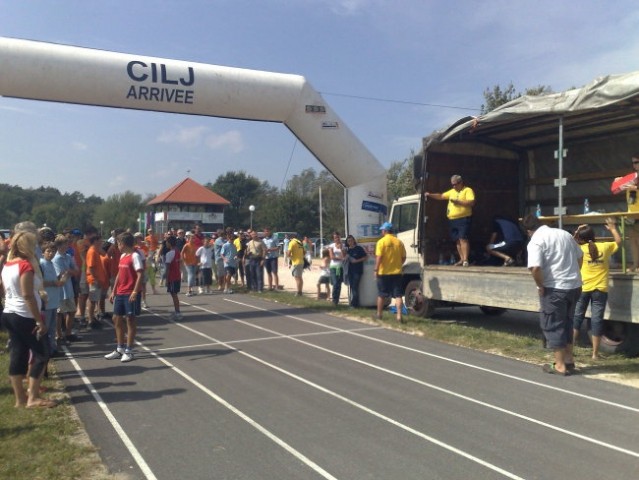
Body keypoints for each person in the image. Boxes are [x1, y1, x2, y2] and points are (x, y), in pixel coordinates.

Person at [522, 214, 583, 376]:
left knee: (554, 324)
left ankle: (560, 365)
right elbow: (580, 256)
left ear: (529, 231)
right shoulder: (565, 234)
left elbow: (535, 268)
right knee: (568, 323)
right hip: (574, 286)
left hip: (555, 288)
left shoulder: (536, 241)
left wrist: (540, 285)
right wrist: (575, 274)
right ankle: (569, 360)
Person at [0, 230, 56, 408]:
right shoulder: (25, 266)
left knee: (18, 354)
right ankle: (32, 397)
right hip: (24, 314)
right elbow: (27, 295)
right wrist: (39, 320)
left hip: (9, 313)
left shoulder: (8, 265)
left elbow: (3, 290)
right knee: (41, 353)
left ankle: (20, 399)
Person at [573, 219, 621, 360]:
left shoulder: (579, 249)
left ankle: (571, 349)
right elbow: (618, 241)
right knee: (597, 320)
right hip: (600, 289)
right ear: (593, 236)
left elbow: (570, 240)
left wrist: (577, 230)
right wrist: (612, 228)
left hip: (584, 287)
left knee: (576, 318)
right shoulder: (604, 247)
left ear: (581, 238)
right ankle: (595, 354)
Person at [105, 232, 144, 363]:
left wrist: (135, 291)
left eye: (118, 243)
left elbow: (140, 275)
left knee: (130, 320)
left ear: (123, 244)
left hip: (130, 293)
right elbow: (118, 275)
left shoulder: (135, 256)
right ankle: (120, 348)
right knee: (116, 318)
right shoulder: (122, 256)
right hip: (120, 292)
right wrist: (114, 291)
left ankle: (129, 350)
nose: (117, 246)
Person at [425, 174, 476, 267]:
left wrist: (458, 202)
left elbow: (471, 202)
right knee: (457, 240)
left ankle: (465, 260)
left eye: (455, 184)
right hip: (453, 219)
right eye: (452, 184)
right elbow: (441, 196)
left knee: (463, 238)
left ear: (461, 183)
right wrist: (429, 194)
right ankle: (461, 259)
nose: (454, 186)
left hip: (463, 218)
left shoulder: (467, 190)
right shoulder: (452, 191)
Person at [374, 222, 406, 322]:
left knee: (381, 294)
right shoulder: (399, 242)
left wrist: (376, 269)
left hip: (383, 273)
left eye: (382, 230)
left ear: (385, 231)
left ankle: (379, 315)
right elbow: (403, 257)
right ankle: (399, 316)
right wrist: (398, 264)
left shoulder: (381, 242)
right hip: (397, 272)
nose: (381, 232)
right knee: (398, 295)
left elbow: (379, 257)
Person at [40, 241, 66, 358]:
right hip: (46, 302)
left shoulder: (50, 264)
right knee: (45, 328)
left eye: (53, 252)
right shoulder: (42, 264)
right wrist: (53, 282)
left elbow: (54, 280)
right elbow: (40, 282)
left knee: (52, 328)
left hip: (54, 301)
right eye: (48, 251)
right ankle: (45, 350)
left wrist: (59, 278)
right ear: (43, 253)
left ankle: (52, 349)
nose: (51, 254)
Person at [616, 154, 639, 271]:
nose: (635, 165)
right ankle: (635, 264)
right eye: (634, 163)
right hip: (632, 214)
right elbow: (615, 188)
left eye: (637, 162)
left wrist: (635, 188)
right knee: (633, 241)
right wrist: (619, 182)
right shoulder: (630, 177)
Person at [345, 235, 368, 307]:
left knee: (355, 287)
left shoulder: (359, 248)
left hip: (357, 271)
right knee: (352, 287)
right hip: (350, 271)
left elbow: (366, 257)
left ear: (354, 241)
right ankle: (355, 303)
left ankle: (354, 304)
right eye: (348, 241)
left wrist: (357, 261)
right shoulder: (348, 250)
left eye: (351, 240)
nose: (350, 242)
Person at [164, 235, 183, 321]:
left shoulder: (169, 254)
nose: (166, 244)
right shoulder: (177, 251)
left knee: (174, 295)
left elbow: (167, 268)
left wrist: (166, 279)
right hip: (177, 275)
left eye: (167, 242)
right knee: (174, 294)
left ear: (170, 243)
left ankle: (178, 312)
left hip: (172, 277)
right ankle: (177, 312)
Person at [327, 232, 346, 305]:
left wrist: (341, 249)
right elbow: (332, 257)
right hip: (334, 267)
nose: (337, 239)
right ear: (333, 239)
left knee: (339, 284)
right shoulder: (331, 246)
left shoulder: (343, 246)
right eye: (335, 238)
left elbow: (344, 256)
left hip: (341, 267)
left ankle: (336, 300)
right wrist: (340, 258)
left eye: (338, 237)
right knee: (335, 283)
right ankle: (334, 299)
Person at [181, 232, 198, 296]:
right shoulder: (186, 245)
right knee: (190, 275)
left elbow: (196, 255)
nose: (193, 239)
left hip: (194, 262)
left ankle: (191, 290)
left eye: (194, 238)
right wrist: (184, 260)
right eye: (191, 238)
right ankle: (188, 290)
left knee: (192, 276)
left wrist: (197, 261)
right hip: (188, 263)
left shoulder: (195, 245)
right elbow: (182, 253)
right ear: (189, 239)